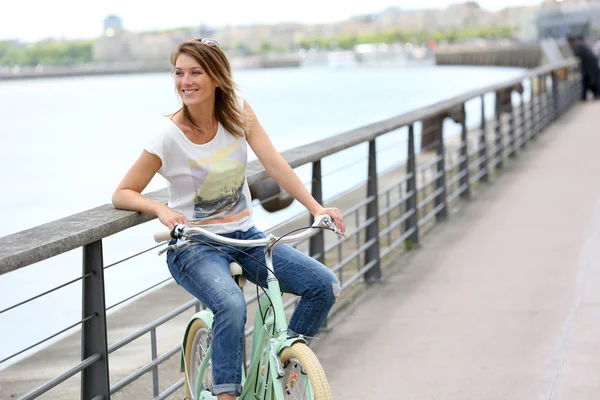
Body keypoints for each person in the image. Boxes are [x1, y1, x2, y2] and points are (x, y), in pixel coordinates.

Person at [112, 38, 344, 400]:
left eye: (195, 72)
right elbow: (123, 192)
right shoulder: (168, 136)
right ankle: (227, 395)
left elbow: (273, 162)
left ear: (217, 77)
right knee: (231, 305)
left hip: (246, 237)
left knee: (322, 285)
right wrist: (160, 210)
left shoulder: (237, 111)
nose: (185, 81)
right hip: (194, 247)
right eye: (179, 73)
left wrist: (316, 207)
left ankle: (285, 368)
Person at [567, 35, 600, 100]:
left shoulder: (577, 45)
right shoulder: (579, 44)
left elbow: (576, 55)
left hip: (591, 65)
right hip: (590, 64)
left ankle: (594, 95)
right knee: (590, 80)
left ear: (570, 41)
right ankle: (590, 95)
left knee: (592, 80)